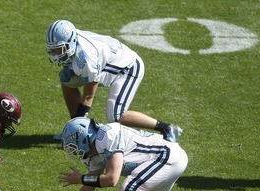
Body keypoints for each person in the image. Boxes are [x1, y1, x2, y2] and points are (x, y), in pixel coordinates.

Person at [58, 117, 215, 191]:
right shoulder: (93, 153)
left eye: (72, 144)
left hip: (167, 157)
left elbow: (111, 179)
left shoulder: (106, 136)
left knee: (129, 190)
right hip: (164, 160)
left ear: (83, 138)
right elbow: (88, 187)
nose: (71, 149)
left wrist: (81, 179)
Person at [45, 20, 182, 141]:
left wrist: (78, 128)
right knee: (67, 81)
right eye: (54, 50)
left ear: (71, 42)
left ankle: (167, 128)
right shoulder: (73, 44)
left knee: (116, 115)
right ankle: (75, 129)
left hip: (127, 68)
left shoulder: (86, 57)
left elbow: (88, 96)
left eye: (59, 49)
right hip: (105, 64)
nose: (56, 54)